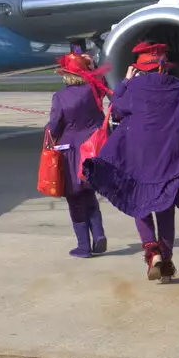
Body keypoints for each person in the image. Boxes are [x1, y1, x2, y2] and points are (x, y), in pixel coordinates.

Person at [83, 41, 179, 282]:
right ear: (163, 66)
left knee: (137, 202)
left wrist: (127, 82)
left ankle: (152, 254)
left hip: (137, 155)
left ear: (140, 67)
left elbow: (117, 110)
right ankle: (167, 260)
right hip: (170, 155)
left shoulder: (134, 87)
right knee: (165, 207)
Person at [44, 50, 111, 258]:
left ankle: (83, 245)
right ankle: (98, 233)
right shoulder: (93, 91)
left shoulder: (60, 97)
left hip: (70, 151)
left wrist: (48, 131)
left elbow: (55, 127)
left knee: (74, 197)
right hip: (91, 149)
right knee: (89, 193)